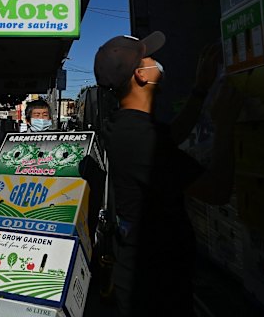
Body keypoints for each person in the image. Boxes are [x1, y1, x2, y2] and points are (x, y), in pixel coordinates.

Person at [92, 31, 243, 316]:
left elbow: (171, 135)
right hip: (155, 289)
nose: (156, 61)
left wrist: (200, 90)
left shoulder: (126, 123)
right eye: (149, 58)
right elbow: (217, 190)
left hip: (145, 277)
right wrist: (225, 124)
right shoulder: (140, 137)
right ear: (140, 75)